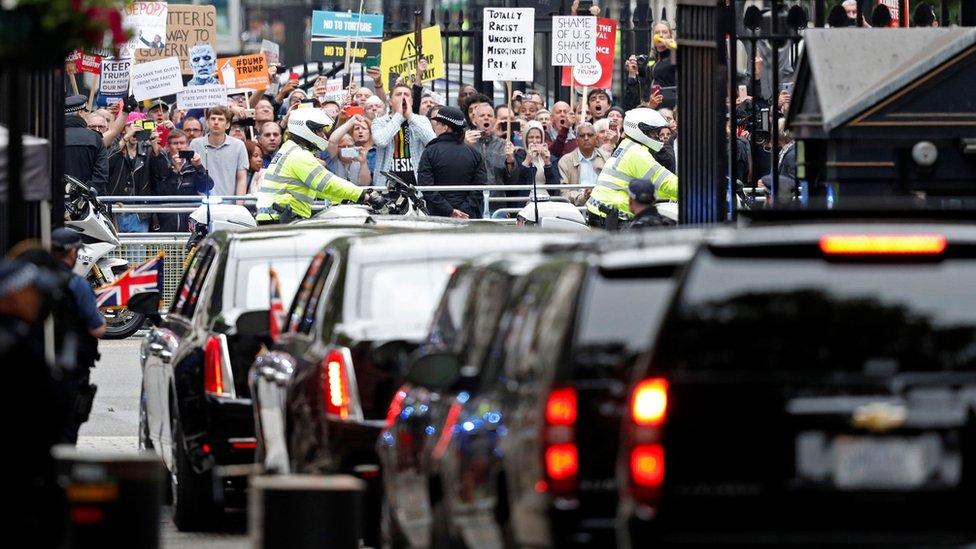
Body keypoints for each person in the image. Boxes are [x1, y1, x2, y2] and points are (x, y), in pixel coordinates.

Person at [255, 108, 383, 223]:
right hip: (280, 220)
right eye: (319, 131)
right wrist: (364, 195)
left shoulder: (290, 149)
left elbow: (317, 189)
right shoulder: (299, 155)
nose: (323, 136)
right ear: (306, 129)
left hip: (277, 218)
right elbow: (327, 183)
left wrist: (345, 198)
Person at [49, 228, 106, 444]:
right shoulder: (77, 285)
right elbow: (96, 328)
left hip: (36, 369)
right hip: (69, 373)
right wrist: (104, 321)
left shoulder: (33, 277)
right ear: (72, 253)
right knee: (66, 433)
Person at [586, 108, 677, 229]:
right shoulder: (637, 153)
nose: (657, 137)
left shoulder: (627, 145)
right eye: (653, 132)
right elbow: (665, 182)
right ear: (640, 130)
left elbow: (652, 185)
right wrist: (693, 192)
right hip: (614, 218)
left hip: (601, 214)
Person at [417, 106, 485, 219]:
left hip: (438, 216)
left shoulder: (430, 152)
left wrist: (449, 210)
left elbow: (426, 187)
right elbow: (479, 187)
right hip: (468, 216)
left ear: (445, 127)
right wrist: (463, 209)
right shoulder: (474, 153)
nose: (435, 126)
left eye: (438, 123)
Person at [107, 112, 169, 233]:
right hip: (116, 210)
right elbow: (106, 164)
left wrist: (155, 145)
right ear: (123, 128)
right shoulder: (114, 146)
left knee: (137, 251)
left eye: (139, 126)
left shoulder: (149, 148)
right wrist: (125, 139)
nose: (135, 130)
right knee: (114, 252)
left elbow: (163, 173)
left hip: (139, 212)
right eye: (131, 126)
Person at [371, 83, 436, 188]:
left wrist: (410, 117)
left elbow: (432, 142)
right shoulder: (379, 122)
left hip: (416, 185)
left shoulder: (421, 120)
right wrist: (399, 116)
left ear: (411, 101)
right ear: (390, 102)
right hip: (386, 186)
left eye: (406, 94)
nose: (403, 97)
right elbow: (381, 142)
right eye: (398, 94)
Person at [159, 129, 213, 231]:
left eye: (182, 143)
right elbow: (163, 193)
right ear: (168, 146)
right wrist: (175, 171)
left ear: (187, 145)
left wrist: (199, 167)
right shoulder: (161, 164)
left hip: (190, 222)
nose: (179, 146)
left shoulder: (193, 165)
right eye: (175, 143)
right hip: (167, 222)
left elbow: (207, 187)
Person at [189, 106, 249, 196]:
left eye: (221, 119)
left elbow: (242, 178)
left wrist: (239, 205)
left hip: (230, 205)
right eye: (213, 119)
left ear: (228, 124)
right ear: (207, 122)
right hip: (202, 205)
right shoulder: (195, 144)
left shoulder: (239, 145)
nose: (216, 122)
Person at [64, 94, 109, 194]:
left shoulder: (51, 136)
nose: (88, 114)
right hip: (86, 203)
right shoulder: (95, 138)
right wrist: (87, 193)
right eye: (86, 111)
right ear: (80, 113)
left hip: (58, 201)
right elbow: (101, 174)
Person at [558, 122, 608, 206]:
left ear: (596, 138)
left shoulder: (606, 158)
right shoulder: (565, 161)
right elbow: (564, 193)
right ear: (576, 140)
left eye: (590, 135)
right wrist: (583, 197)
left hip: (601, 206)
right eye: (582, 136)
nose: (586, 138)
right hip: (576, 208)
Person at [515, 121, 559, 201]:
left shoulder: (551, 158)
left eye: (538, 137)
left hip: (547, 200)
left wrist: (547, 163)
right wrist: (527, 160)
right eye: (531, 137)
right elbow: (516, 182)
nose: (534, 141)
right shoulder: (519, 156)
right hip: (525, 202)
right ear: (525, 139)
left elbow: (555, 188)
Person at [324, 115, 374, 186]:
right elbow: (332, 141)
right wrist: (351, 122)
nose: (347, 149)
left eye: (350, 146)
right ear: (337, 148)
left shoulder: (358, 161)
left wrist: (363, 163)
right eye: (342, 146)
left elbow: (365, 184)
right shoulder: (332, 160)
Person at [466, 102, 508, 186]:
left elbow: (512, 179)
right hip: (475, 197)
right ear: (474, 121)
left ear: (494, 120)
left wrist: (511, 161)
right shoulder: (466, 143)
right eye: (482, 116)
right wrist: (464, 146)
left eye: (489, 116)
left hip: (497, 196)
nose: (486, 118)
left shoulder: (503, 144)